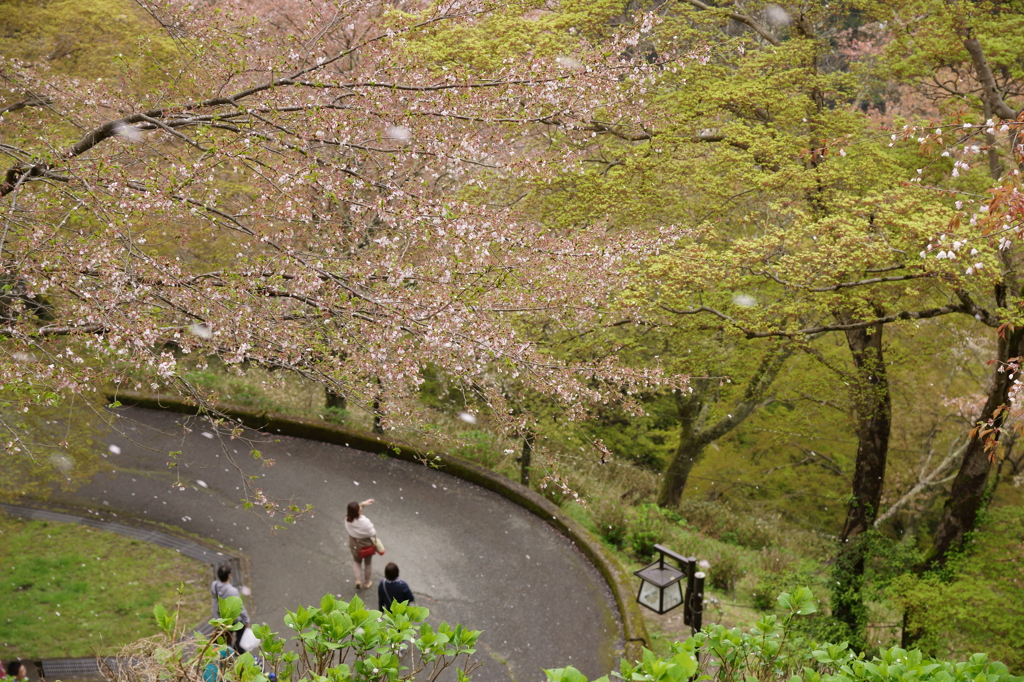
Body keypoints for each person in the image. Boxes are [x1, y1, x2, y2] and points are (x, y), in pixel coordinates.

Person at [210, 563, 251, 654]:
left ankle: (223, 652)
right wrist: (246, 620)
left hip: (220, 617)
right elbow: (240, 607)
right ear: (229, 575)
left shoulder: (214, 585)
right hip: (232, 619)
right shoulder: (232, 591)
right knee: (241, 631)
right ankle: (238, 652)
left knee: (223, 637)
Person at [345, 498, 380, 589]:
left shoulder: (347, 519)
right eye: (359, 508)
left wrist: (363, 504)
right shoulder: (364, 522)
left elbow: (354, 510)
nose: (361, 508)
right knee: (368, 564)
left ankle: (358, 580)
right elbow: (372, 532)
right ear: (358, 511)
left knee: (357, 562)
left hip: (354, 545)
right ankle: (367, 582)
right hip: (366, 546)